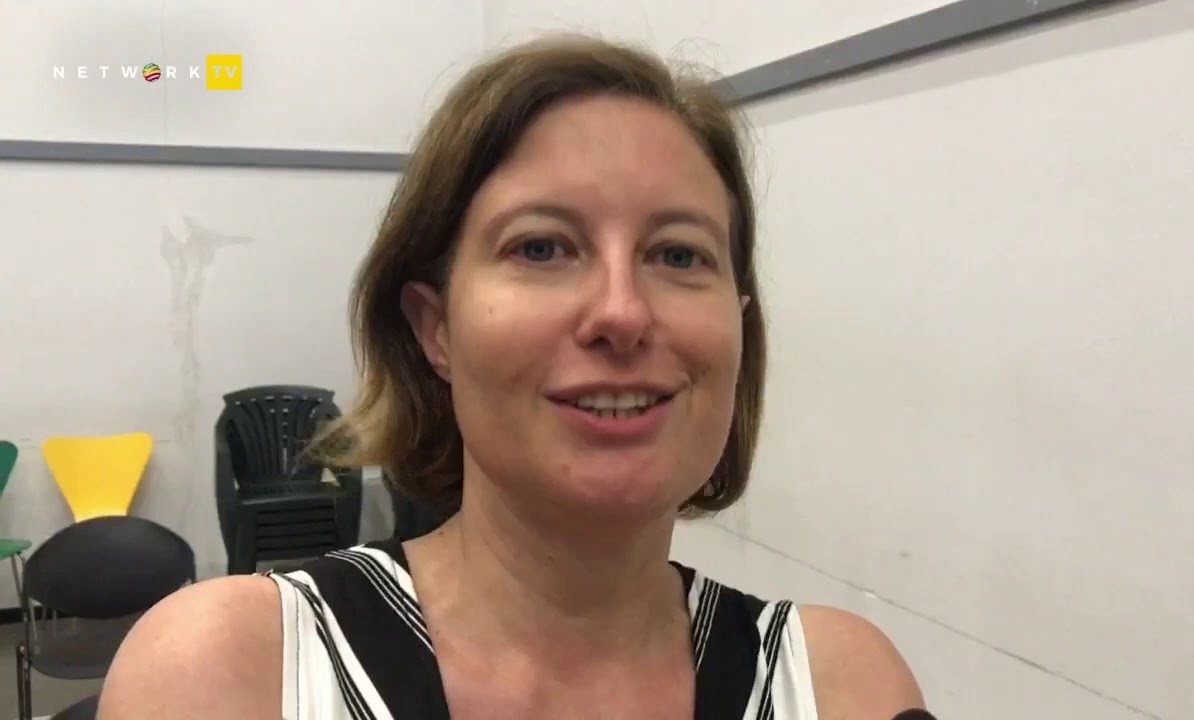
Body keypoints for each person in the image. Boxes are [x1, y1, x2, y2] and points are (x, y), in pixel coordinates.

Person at [100, 33, 927, 719]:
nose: (622, 312)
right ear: (435, 328)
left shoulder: (842, 687)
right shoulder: (229, 675)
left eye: (679, 254)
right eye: (541, 247)